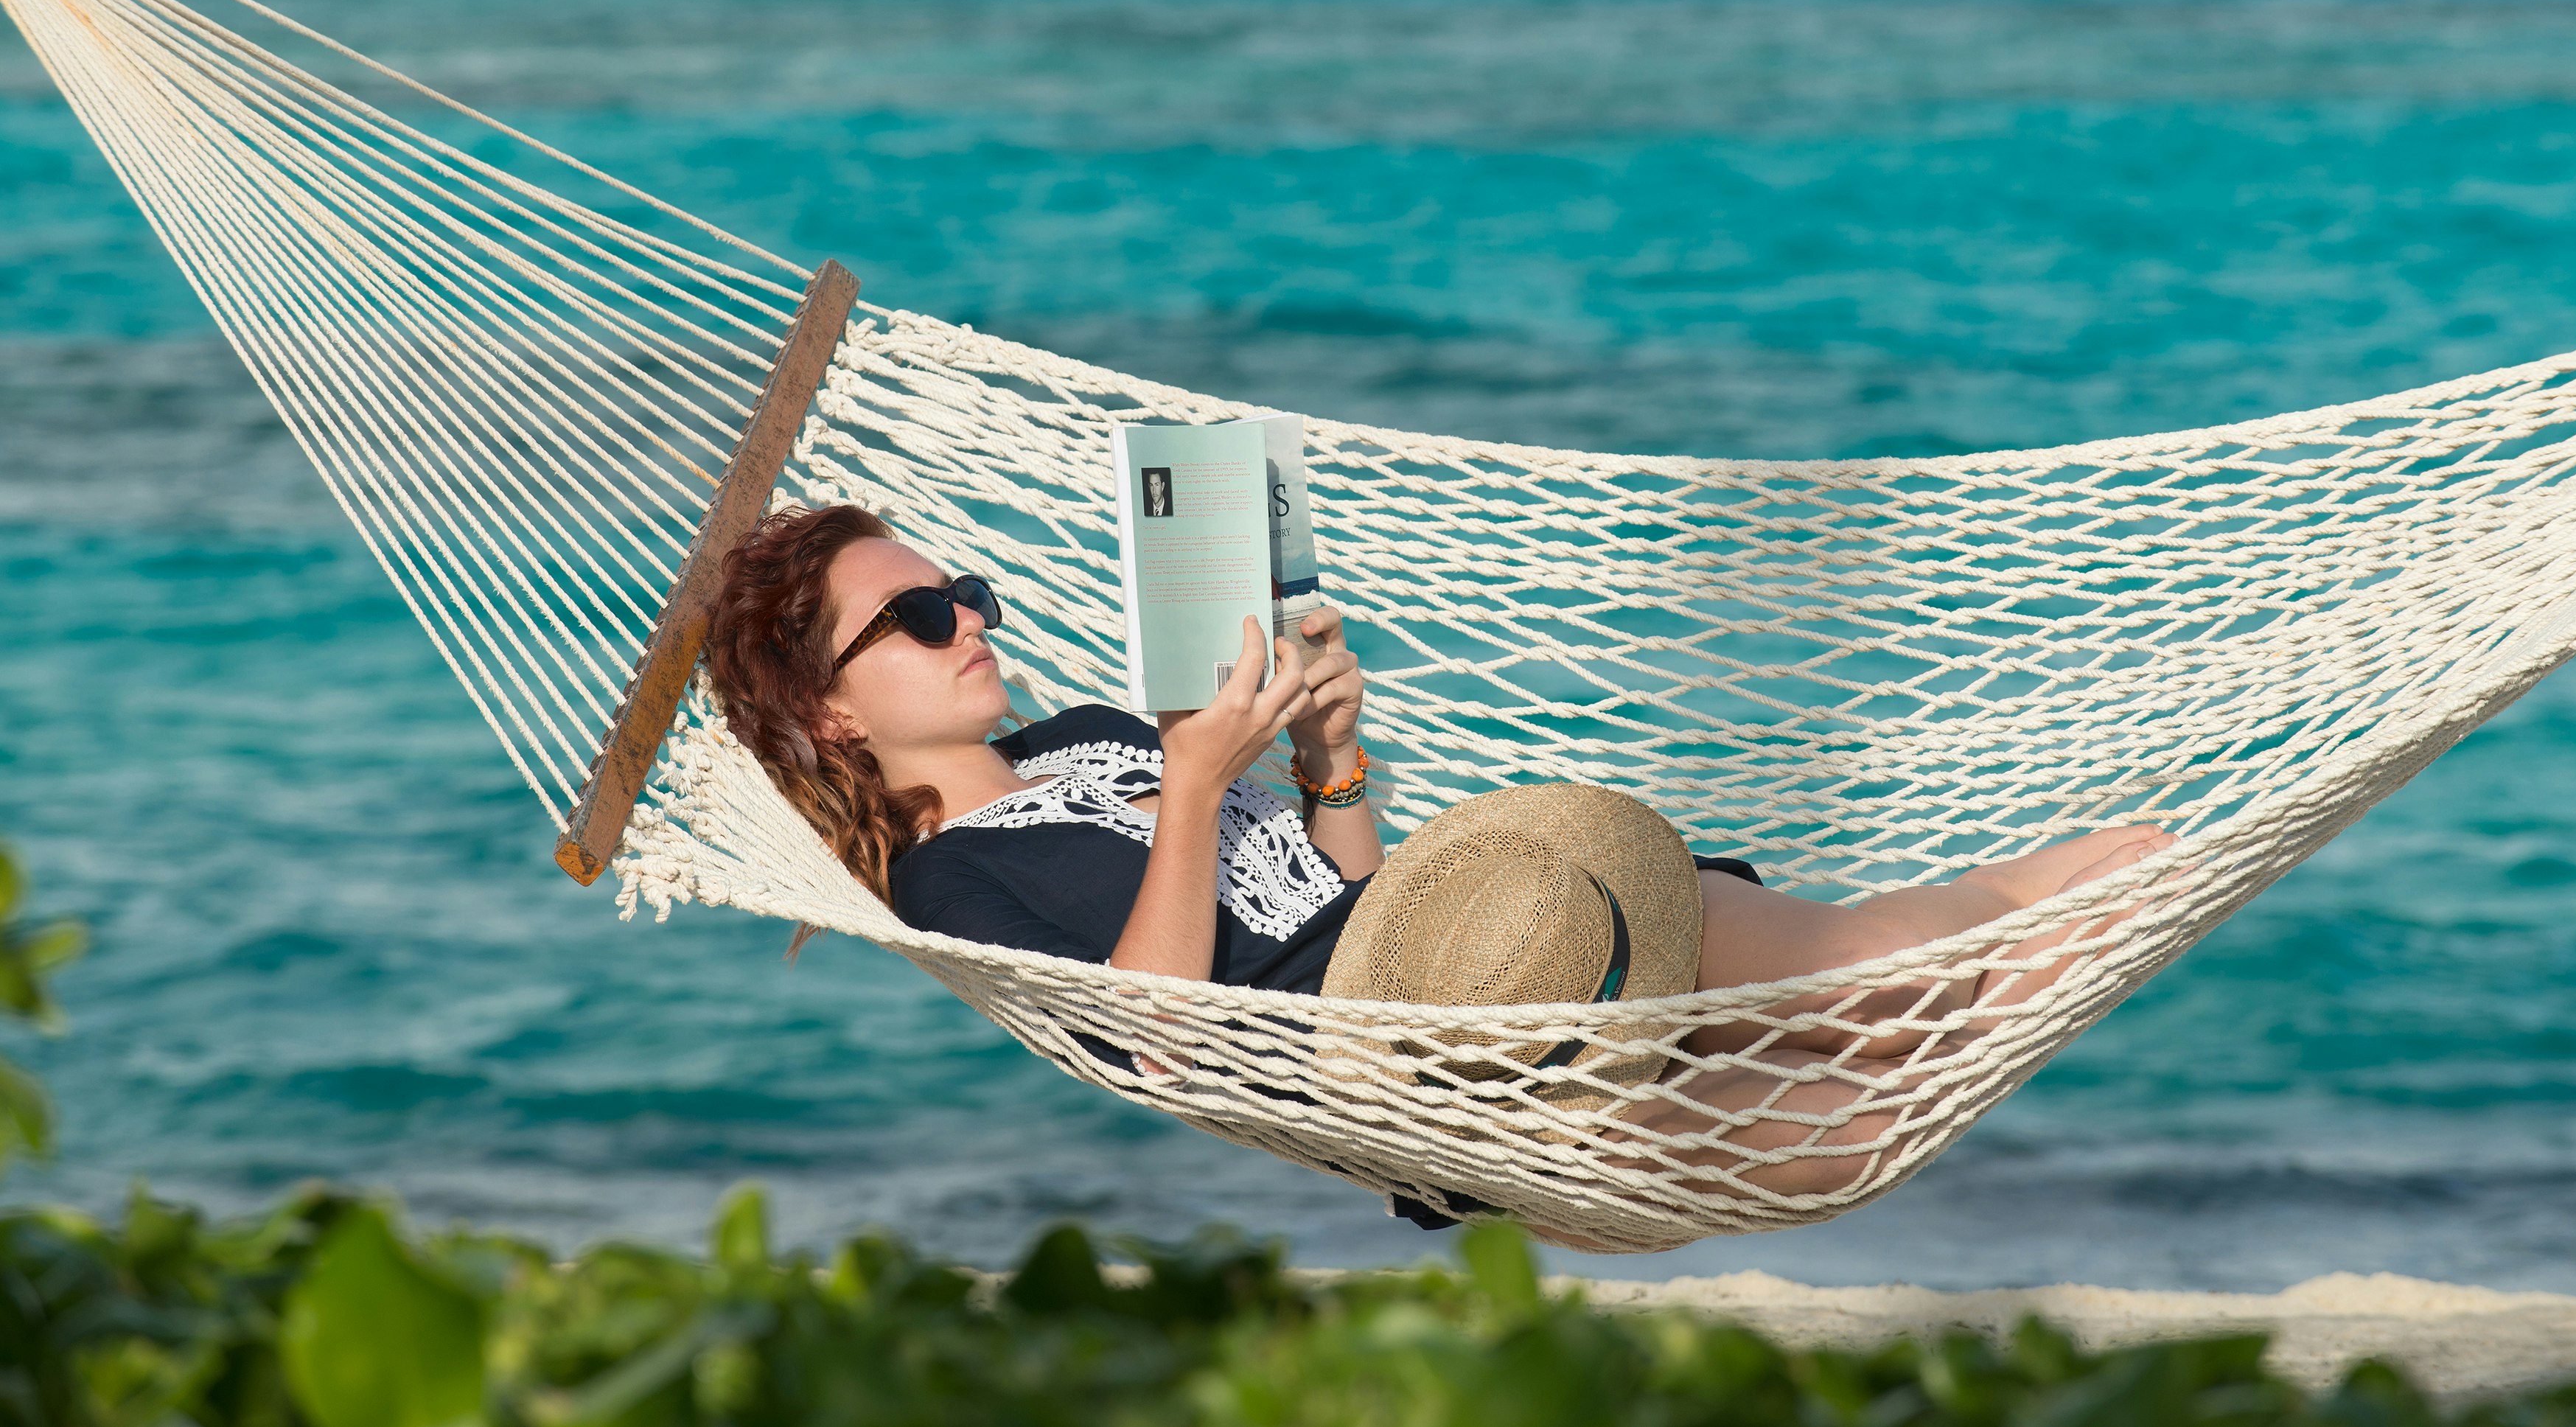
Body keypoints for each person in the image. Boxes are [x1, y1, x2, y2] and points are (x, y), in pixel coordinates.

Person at [705, 503, 2173, 1193]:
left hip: (1507, 932)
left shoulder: (1090, 730)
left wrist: (1328, 760)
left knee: (1951, 959)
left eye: (966, 592)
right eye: (919, 618)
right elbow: (1155, 1034)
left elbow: (1346, 892)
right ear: (831, 709)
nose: (970, 621)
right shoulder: (951, 880)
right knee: (1850, 1139)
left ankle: (2114, 877)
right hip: (1439, 1081)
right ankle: (2082, 906)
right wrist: (1196, 785)